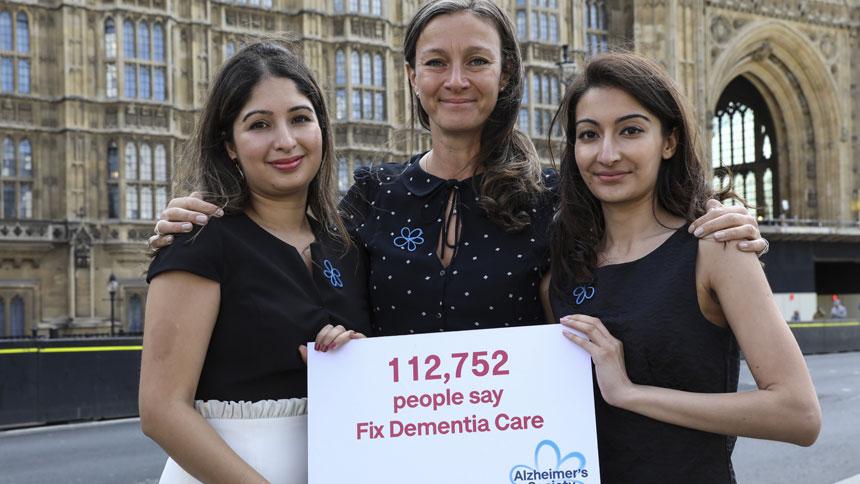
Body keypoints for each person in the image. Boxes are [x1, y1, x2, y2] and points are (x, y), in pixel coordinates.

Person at [149, 0, 767, 337]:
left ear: (505, 74)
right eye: (436, 62)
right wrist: (201, 219)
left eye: (476, 61)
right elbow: (288, 259)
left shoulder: (557, 196)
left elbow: (643, 241)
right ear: (412, 77)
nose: (456, 80)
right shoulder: (370, 196)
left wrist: (719, 219)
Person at [548, 52, 820, 483]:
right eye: (588, 134)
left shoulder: (715, 246)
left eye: (631, 130)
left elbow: (798, 413)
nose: (607, 153)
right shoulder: (563, 264)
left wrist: (630, 393)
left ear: (669, 141)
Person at [139, 42, 370, 483]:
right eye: (260, 124)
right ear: (229, 144)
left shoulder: (347, 247)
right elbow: (161, 411)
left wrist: (349, 360)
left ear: (322, 128)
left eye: (300, 119)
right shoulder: (199, 238)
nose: (285, 141)